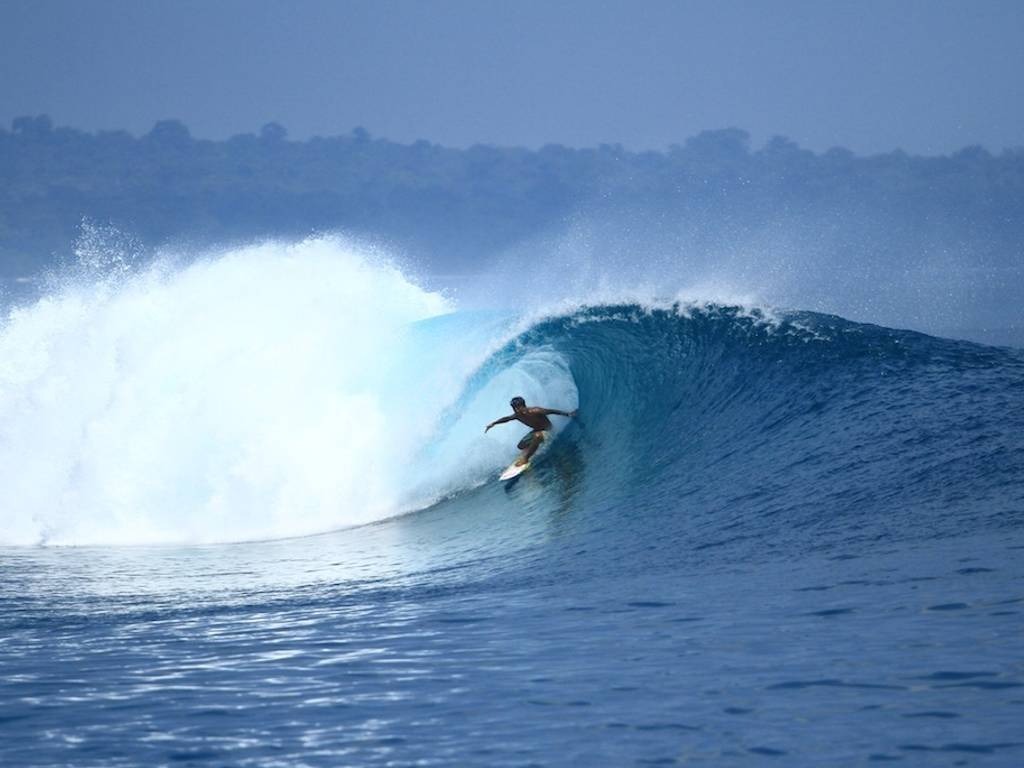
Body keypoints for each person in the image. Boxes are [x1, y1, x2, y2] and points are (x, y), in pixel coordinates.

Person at [485, 396, 577, 466]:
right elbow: (507, 418)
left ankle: (526, 458)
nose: (514, 409)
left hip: (548, 431)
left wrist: (568, 414)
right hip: (536, 431)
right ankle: (533, 448)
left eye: (514, 407)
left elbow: (551, 411)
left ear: (519, 407)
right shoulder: (517, 415)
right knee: (520, 446)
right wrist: (493, 423)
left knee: (537, 436)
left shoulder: (535, 411)